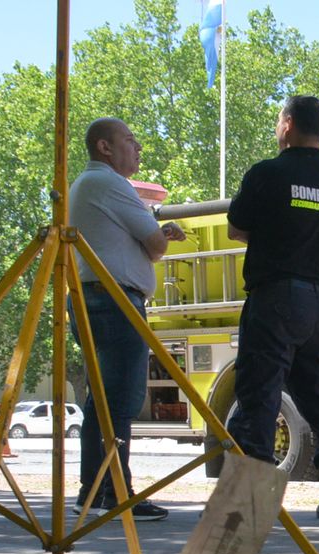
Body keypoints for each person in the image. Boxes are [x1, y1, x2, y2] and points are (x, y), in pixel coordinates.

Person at [226, 95, 319, 521]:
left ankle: (251, 506)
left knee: (260, 393)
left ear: (286, 124)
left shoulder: (268, 173)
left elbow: (236, 228)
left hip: (278, 296)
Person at [69, 117, 185, 522]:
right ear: (105, 147)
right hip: (115, 300)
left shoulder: (88, 184)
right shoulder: (111, 183)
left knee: (101, 401)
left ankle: (96, 488)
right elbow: (153, 246)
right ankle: (114, 491)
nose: (137, 149)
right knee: (119, 401)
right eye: (130, 140)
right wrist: (158, 236)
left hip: (96, 297)